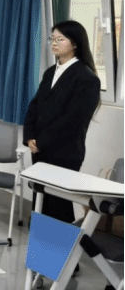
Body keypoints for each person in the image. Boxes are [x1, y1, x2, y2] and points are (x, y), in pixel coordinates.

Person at [23, 20, 100, 224]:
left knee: (58, 205)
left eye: (60, 39)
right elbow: (35, 106)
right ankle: (39, 241)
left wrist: (42, 141)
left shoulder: (87, 78)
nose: (54, 43)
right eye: (52, 39)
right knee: (40, 201)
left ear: (74, 43)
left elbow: (73, 121)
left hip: (64, 151)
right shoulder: (50, 72)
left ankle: (61, 244)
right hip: (40, 148)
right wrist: (29, 136)